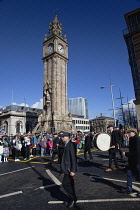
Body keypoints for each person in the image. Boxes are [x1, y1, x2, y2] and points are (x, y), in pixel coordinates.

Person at [61, 132, 77, 208]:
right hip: (67, 168)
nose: (62, 138)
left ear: (67, 137)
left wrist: (73, 170)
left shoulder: (70, 145)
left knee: (65, 184)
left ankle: (73, 199)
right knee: (71, 184)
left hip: (69, 169)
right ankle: (73, 199)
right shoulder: (66, 144)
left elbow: (73, 158)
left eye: (63, 136)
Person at [122, 128, 140, 196]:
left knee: (138, 176)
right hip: (132, 160)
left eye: (129, 133)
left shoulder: (137, 139)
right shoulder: (132, 139)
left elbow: (137, 152)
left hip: (137, 160)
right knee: (129, 173)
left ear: (133, 133)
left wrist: (126, 154)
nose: (128, 134)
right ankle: (129, 188)